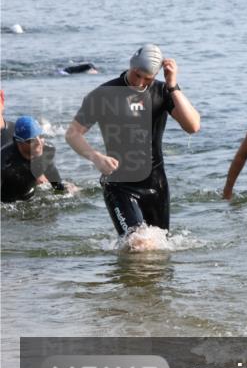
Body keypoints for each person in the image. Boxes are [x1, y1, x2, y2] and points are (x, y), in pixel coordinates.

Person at [65, 44, 200, 237]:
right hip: (119, 184)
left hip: (156, 184)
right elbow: (73, 134)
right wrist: (96, 157)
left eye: (148, 78)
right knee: (139, 244)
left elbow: (193, 126)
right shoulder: (104, 94)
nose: (140, 82)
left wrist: (172, 85)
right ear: (131, 65)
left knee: (159, 251)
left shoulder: (162, 92)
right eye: (137, 75)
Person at [1, 116, 70, 202]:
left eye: (41, 136)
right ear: (18, 142)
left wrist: (64, 192)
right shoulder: (4, 163)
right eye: (31, 140)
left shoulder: (47, 150)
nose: (39, 142)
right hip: (7, 205)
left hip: (30, 197)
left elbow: (56, 183)